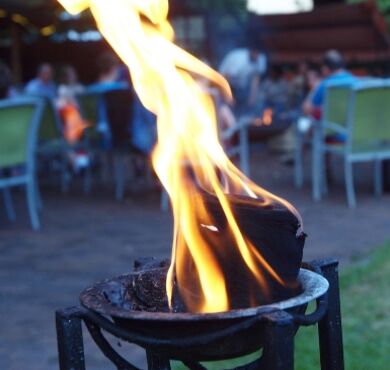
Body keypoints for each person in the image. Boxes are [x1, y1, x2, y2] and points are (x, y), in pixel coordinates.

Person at [303, 50, 355, 119]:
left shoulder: (325, 85)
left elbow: (306, 110)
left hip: (332, 128)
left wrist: (314, 88)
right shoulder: (356, 82)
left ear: (325, 69)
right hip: (355, 127)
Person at [219, 45, 267, 114]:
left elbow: (255, 78)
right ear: (251, 52)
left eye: (259, 54)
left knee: (247, 105)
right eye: (256, 54)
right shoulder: (239, 59)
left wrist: (252, 97)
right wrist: (228, 96)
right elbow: (227, 77)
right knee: (228, 107)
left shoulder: (261, 58)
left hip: (240, 86)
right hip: (225, 82)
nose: (258, 57)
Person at [57, 65, 88, 144]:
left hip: (82, 114)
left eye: (73, 74)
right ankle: (71, 144)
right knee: (71, 115)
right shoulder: (62, 88)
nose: (73, 76)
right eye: (70, 74)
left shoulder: (80, 87)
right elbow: (63, 103)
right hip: (67, 115)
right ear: (65, 77)